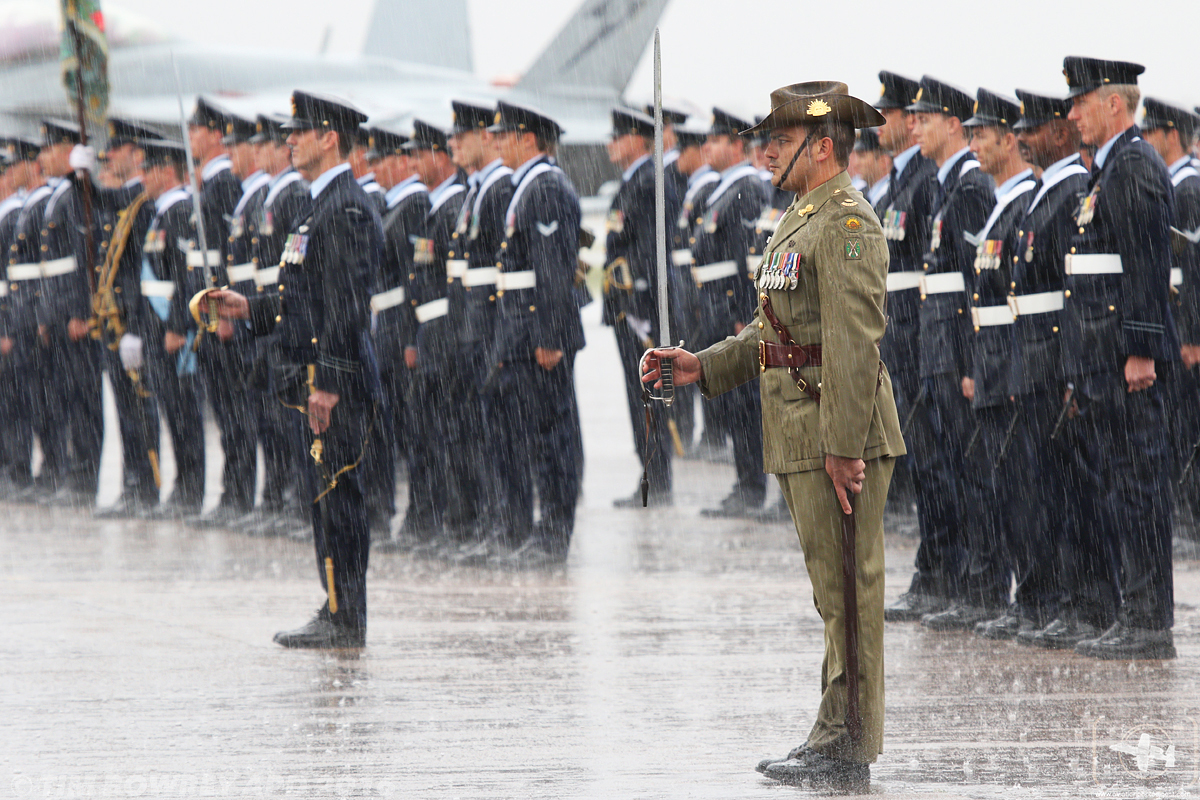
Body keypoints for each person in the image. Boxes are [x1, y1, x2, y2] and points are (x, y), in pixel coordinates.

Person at [643, 81, 903, 788]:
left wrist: (844, 445)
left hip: (833, 429)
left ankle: (848, 748)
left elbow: (854, 344)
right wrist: (703, 365)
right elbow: (777, 332)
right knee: (832, 592)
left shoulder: (846, 222)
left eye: (780, 143)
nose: (765, 153)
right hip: (801, 426)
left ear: (821, 147)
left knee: (850, 591)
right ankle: (833, 730)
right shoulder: (802, 217)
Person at [208, 90, 382, 648]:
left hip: (337, 380)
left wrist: (328, 384)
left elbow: (345, 309)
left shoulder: (347, 207)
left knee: (339, 496)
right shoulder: (318, 204)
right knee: (324, 499)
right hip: (313, 373)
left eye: (299, 131)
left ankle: (346, 616)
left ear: (329, 138)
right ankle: (333, 606)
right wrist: (249, 309)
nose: (289, 139)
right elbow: (300, 301)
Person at [1059, 56, 1177, 660]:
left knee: (1138, 490)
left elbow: (1149, 267)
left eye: (1082, 101)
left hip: (1124, 364)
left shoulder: (1132, 166)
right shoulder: (1108, 170)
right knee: (1119, 487)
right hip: (1101, 361)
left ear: (1114, 103)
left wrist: (1139, 351)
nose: (1072, 113)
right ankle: (1136, 613)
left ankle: (1151, 623)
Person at [979, 89, 1090, 643]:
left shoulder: (1072, 189)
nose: (1024, 137)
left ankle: (1064, 600)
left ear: (1062, 134)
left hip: (1051, 357)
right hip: (1029, 354)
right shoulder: (1044, 191)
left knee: (1057, 489)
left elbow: (1072, 290)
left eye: (1036, 128)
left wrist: (1069, 364)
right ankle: (1043, 597)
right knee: (1029, 485)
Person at [937, 89, 1034, 631]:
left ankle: (1016, 592)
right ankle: (1011, 592)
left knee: (1015, 483)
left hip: (1007, 358)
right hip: (987, 354)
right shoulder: (995, 196)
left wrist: (982, 364)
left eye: (981, 134)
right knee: (994, 479)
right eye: (969, 133)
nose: (974, 144)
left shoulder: (1007, 196)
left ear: (1008, 138)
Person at [906, 76, 996, 626]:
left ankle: (974, 586)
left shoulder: (968, 187)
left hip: (954, 352)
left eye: (926, 117)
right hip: (935, 349)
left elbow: (972, 285)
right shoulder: (943, 184)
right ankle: (954, 581)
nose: (913, 125)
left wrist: (967, 363)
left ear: (954, 126)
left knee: (968, 474)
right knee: (940, 471)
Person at [486, 100, 584, 565]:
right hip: (521, 330)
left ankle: (554, 535)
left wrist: (551, 337)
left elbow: (553, 271)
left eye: (505, 134)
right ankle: (540, 533)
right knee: (532, 436)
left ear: (528, 139)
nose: (497, 141)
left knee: (551, 438)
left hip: (537, 334)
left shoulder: (545, 188)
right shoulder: (528, 187)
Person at [691, 107, 768, 518]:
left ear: (737, 146)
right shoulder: (723, 188)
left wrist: (745, 314)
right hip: (717, 307)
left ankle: (752, 485)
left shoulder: (746, 188)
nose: (706, 147)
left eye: (716, 140)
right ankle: (744, 481)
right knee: (736, 404)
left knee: (745, 404)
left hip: (733, 310)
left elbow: (748, 260)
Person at [445, 99, 513, 555]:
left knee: (499, 436)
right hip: (473, 326)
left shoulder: (498, 188)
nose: (453, 144)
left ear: (485, 138)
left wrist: (491, 336)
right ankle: (491, 524)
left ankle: (502, 525)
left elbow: (499, 270)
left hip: (490, 326)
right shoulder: (476, 189)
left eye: (461, 136)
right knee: (480, 434)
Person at [189, 97, 259, 524]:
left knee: (237, 412)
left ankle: (239, 494)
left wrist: (222, 316)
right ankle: (232, 491)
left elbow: (226, 260)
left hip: (224, 319)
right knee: (226, 411)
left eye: (197, 130)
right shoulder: (209, 186)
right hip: (211, 317)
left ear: (215, 134)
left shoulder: (224, 186)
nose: (191, 136)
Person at [603, 107, 676, 508]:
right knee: (640, 398)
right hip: (627, 306)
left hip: (640, 308)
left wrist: (641, 305)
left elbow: (652, 247)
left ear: (636, 138)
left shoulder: (649, 181)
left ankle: (658, 480)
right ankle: (651, 475)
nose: (611, 144)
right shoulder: (634, 181)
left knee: (648, 398)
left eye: (618, 136)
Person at [136, 139, 208, 518]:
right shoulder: (160, 213)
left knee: (185, 413)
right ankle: (182, 486)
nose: (142, 177)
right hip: (156, 328)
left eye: (148, 170)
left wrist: (180, 325)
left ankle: (192, 490)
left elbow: (187, 274)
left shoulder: (179, 211)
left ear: (166, 172)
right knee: (172, 412)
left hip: (172, 330)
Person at [1140, 98, 1200, 523]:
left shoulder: (1188, 187)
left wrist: (1193, 335)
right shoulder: (1172, 184)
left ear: (1171, 135)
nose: (1144, 138)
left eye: (1151, 131)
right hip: (1175, 323)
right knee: (1176, 429)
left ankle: (1190, 516)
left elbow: (1193, 270)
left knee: (1187, 428)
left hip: (1186, 328)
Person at [0, 137, 43, 499]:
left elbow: (11, 281)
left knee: (18, 401)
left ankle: (18, 469)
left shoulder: (14, 214)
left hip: (13, 323)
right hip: (11, 320)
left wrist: (7, 328)